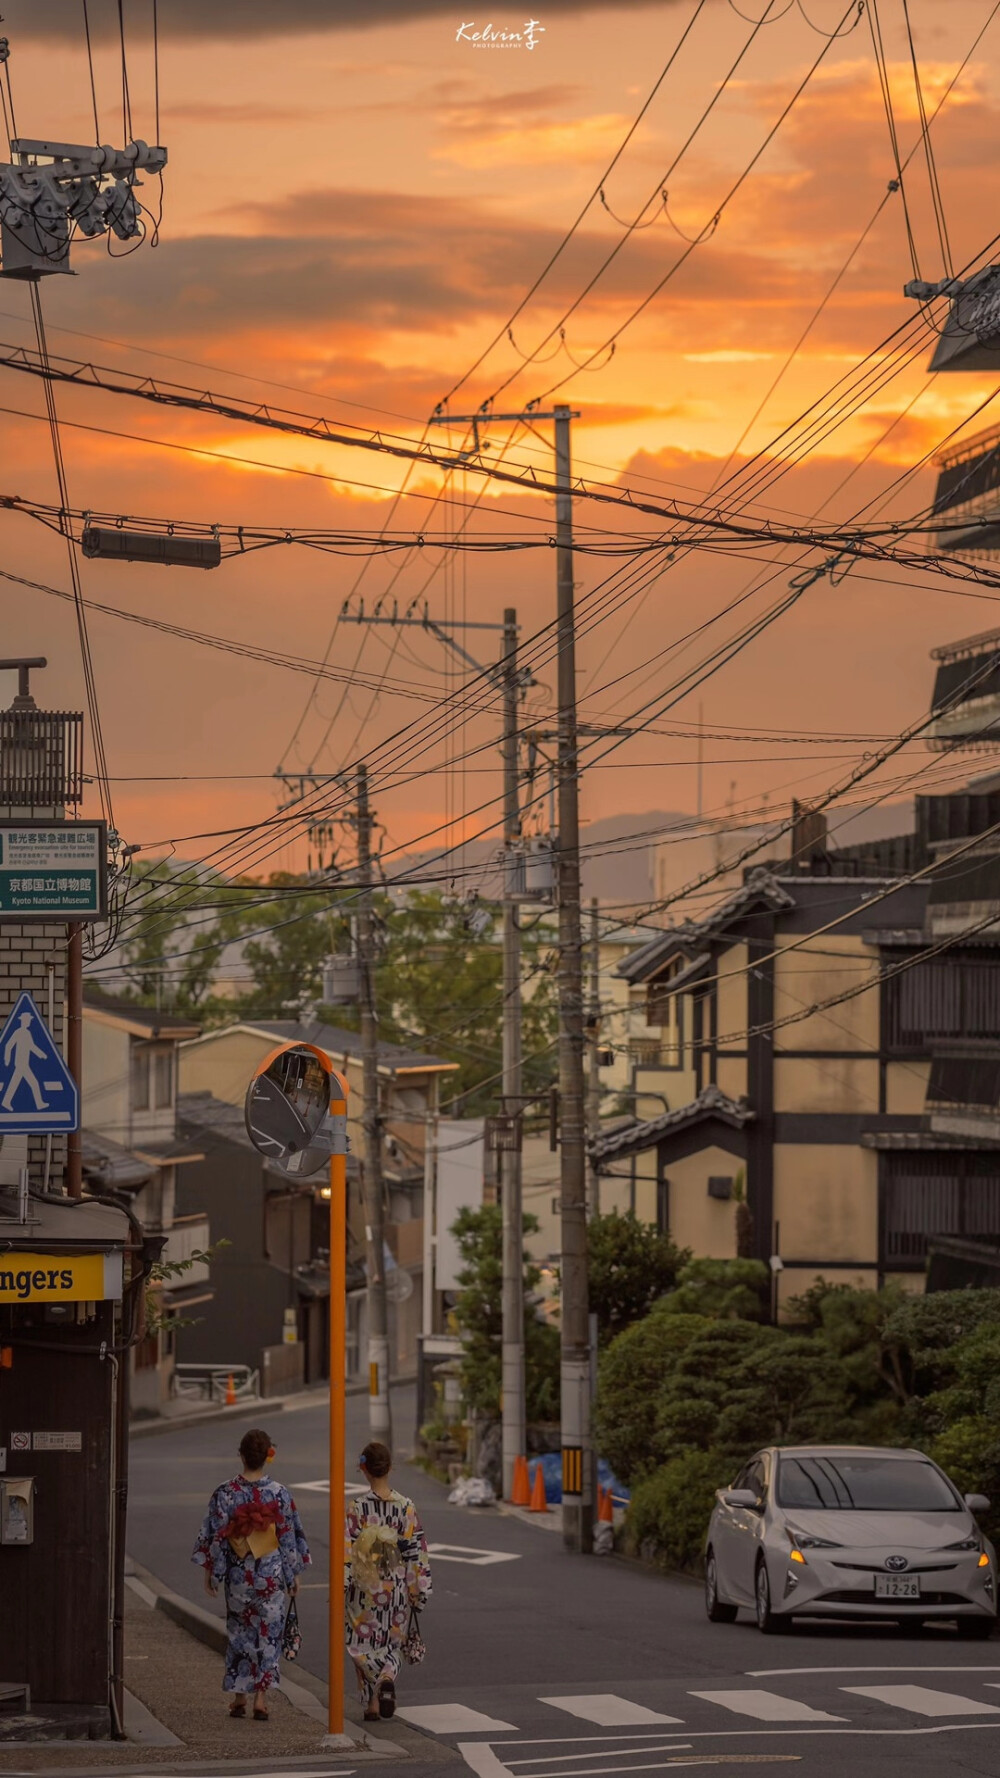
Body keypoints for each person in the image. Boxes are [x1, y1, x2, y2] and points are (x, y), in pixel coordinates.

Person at [192, 1427, 310, 1720]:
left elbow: (217, 1536)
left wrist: (212, 1572)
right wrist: (292, 1573)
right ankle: (261, 1697)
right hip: (269, 1575)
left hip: (238, 1576)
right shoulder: (279, 1493)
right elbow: (286, 1536)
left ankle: (239, 1696)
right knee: (268, 1634)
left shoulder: (225, 1493)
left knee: (240, 1632)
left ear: (241, 1456)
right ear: (269, 1456)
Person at [345, 1440, 431, 1721]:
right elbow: (417, 1552)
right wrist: (419, 1589)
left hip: (364, 1586)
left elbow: (347, 1551)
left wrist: (342, 1584)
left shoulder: (356, 1508)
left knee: (361, 1641)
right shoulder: (406, 1507)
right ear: (390, 1468)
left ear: (364, 1469)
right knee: (391, 1642)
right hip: (395, 1586)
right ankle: (386, 1677)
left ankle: (372, 1701)